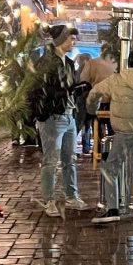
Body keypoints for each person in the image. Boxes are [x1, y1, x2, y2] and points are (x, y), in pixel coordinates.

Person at [87, 47, 133, 223]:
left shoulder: (117, 79)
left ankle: (112, 209)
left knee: (110, 169)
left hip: (124, 131)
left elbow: (94, 93)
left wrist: (93, 109)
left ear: (128, 62)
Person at [29, 24, 89, 216]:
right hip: (52, 118)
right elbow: (38, 90)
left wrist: (76, 90)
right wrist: (64, 93)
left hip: (69, 115)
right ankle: (49, 200)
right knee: (51, 161)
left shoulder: (69, 63)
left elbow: (68, 88)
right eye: (71, 38)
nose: (74, 42)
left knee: (70, 159)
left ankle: (71, 196)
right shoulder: (45, 63)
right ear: (61, 40)